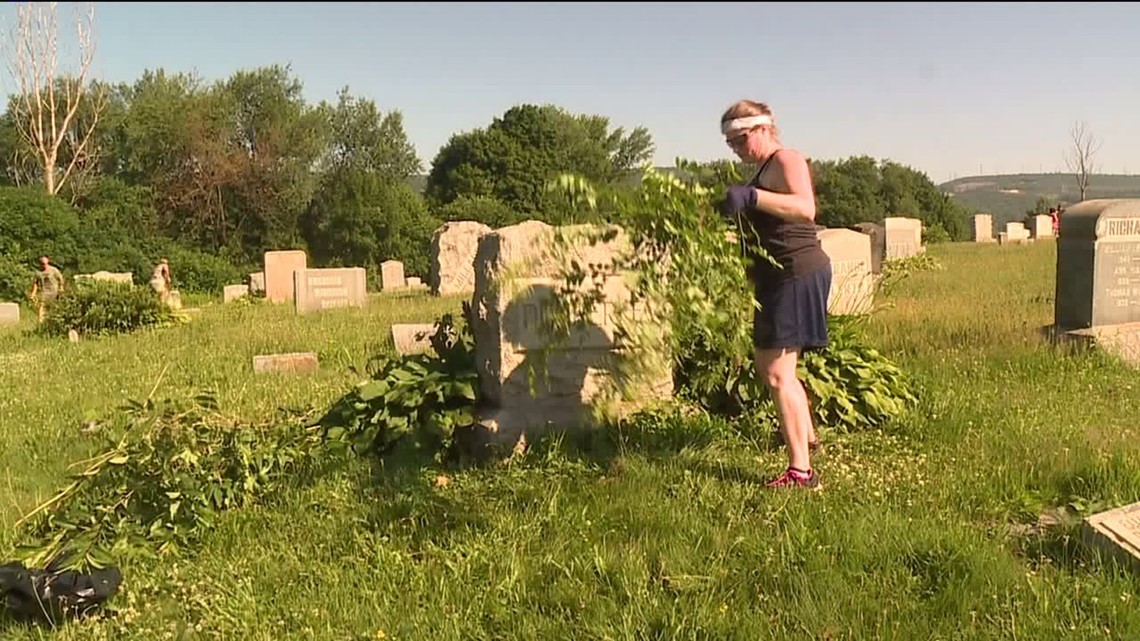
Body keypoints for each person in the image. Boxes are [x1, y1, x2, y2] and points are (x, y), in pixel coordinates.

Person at [718, 99, 831, 490]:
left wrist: (753, 199)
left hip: (796, 272)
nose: (735, 146)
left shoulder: (787, 160)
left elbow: (805, 207)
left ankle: (801, 472)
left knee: (776, 371)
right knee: (780, 370)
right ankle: (807, 437)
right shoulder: (763, 169)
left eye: (740, 137)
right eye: (729, 142)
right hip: (777, 276)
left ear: (764, 128)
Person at [29, 255, 65, 323]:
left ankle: (54, 322)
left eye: (45, 263)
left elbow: (60, 279)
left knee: (54, 309)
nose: (44, 265)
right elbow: (35, 283)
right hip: (44, 293)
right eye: (42, 264)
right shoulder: (38, 273)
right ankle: (41, 323)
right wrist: (33, 293)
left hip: (54, 293)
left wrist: (61, 288)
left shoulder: (53, 270)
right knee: (42, 308)